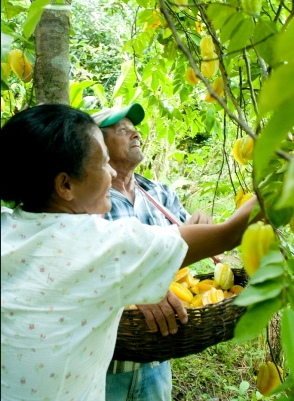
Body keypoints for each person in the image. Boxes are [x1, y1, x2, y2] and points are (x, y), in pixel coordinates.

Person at [1, 103, 259, 401]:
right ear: (65, 184)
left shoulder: (7, 226)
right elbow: (230, 233)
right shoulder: (102, 244)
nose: (109, 170)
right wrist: (281, 174)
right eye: (101, 163)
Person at [92, 103, 215, 401]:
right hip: (100, 365)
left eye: (135, 129)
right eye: (122, 129)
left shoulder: (160, 194)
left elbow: (184, 257)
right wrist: (134, 288)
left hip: (156, 361)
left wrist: (203, 230)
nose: (135, 134)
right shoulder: (87, 198)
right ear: (97, 143)